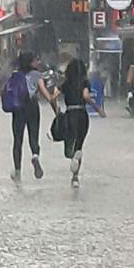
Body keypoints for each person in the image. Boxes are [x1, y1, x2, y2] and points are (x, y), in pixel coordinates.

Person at [0, 51, 58, 183]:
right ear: (31, 63)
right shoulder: (37, 75)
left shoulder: (14, 76)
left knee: (17, 140)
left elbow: (0, 92)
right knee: (33, 135)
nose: (39, 62)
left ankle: (17, 171)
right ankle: (35, 156)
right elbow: (47, 95)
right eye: (36, 60)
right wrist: (56, 107)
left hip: (18, 109)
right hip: (32, 107)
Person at [50, 59, 106, 188]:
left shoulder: (65, 83)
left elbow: (53, 98)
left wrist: (57, 112)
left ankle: (72, 157)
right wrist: (98, 109)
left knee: (69, 145)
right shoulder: (85, 82)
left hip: (69, 114)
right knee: (79, 146)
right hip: (82, 114)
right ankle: (75, 177)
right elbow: (86, 96)